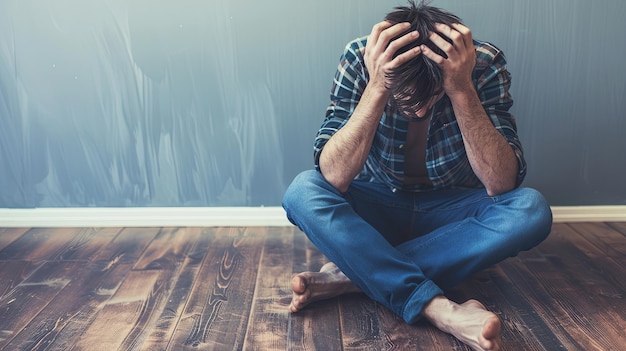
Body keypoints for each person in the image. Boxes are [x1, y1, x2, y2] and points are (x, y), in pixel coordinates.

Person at [281, 1, 552, 350]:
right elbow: (332, 176)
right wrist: (378, 86)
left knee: (531, 209)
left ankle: (352, 275)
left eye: (431, 95)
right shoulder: (361, 58)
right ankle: (440, 309)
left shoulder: (481, 64)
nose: (420, 110)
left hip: (451, 216)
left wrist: (460, 88)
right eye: (406, 97)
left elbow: (500, 184)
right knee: (303, 190)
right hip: (377, 206)